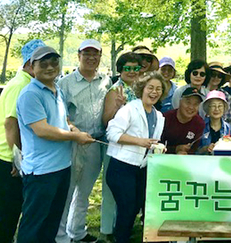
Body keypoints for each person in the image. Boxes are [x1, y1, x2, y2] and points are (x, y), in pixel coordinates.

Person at [16, 46, 95, 243]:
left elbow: (63, 120)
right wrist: (75, 138)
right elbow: (42, 130)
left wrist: (73, 128)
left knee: (51, 222)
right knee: (33, 225)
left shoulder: (57, 89)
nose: (50, 67)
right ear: (31, 67)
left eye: (54, 62)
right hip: (41, 172)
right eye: (43, 63)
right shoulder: (30, 95)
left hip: (62, 167)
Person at [57, 39, 112, 243]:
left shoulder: (106, 81)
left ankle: (77, 232)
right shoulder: (65, 83)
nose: (91, 58)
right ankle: (60, 236)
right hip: (72, 142)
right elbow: (60, 114)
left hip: (95, 143)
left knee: (85, 191)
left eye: (95, 54)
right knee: (68, 190)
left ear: (100, 56)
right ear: (78, 55)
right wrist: (74, 131)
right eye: (86, 53)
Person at [0, 39, 44, 243]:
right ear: (30, 64)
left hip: (8, 155)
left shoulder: (26, 82)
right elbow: (10, 124)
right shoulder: (21, 85)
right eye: (41, 61)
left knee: (10, 208)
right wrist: (18, 158)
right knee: (6, 211)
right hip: (6, 157)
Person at [105, 72, 166, 243]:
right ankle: (121, 238)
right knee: (127, 207)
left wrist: (157, 148)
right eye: (150, 88)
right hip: (121, 167)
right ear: (142, 89)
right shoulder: (129, 109)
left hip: (141, 168)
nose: (154, 92)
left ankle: (123, 237)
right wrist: (140, 142)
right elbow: (112, 133)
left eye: (158, 89)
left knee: (135, 207)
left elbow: (151, 142)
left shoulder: (159, 116)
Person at [100, 51, 142, 239]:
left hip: (137, 149)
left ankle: (123, 225)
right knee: (112, 193)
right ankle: (108, 229)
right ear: (120, 70)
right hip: (118, 148)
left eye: (136, 68)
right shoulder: (115, 91)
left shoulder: (141, 90)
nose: (132, 72)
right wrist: (117, 108)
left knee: (130, 193)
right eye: (128, 68)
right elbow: (105, 121)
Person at [162, 87, 205, 154]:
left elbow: (195, 150)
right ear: (180, 101)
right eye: (188, 102)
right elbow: (157, 146)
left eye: (195, 104)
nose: (191, 107)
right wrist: (176, 149)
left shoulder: (199, 123)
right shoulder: (165, 118)